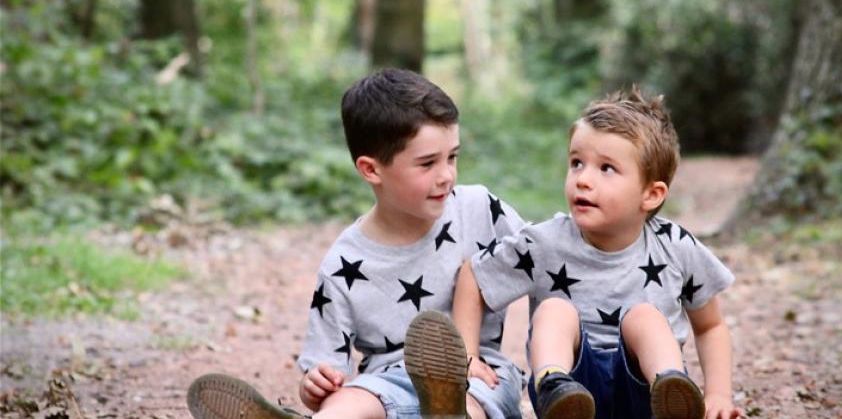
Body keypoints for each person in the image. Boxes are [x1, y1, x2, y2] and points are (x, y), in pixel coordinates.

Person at [186, 68, 525, 419]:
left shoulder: (479, 210)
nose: (446, 175)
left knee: (467, 404)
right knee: (346, 403)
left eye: (452, 157)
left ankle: (449, 414)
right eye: (427, 163)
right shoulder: (344, 263)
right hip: (386, 384)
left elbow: (548, 254)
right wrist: (316, 386)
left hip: (477, 375)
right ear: (371, 170)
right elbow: (323, 369)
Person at [453, 88, 744, 419]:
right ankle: (554, 386)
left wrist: (719, 394)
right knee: (554, 310)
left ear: (651, 194)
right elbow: (473, 276)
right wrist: (467, 357)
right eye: (577, 163)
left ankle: (671, 389)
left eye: (606, 168)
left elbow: (710, 326)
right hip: (570, 390)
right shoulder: (545, 242)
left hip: (645, 391)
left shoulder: (674, 245)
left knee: (645, 317)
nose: (583, 180)